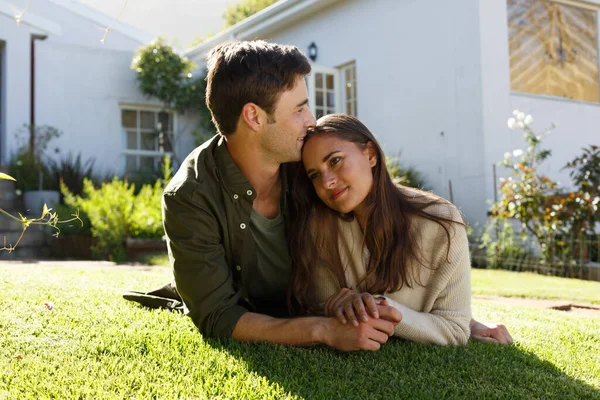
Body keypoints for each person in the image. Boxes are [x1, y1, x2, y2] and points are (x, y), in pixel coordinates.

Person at [160, 40, 512, 350]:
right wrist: (323, 331)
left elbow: (378, 218)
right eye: (298, 109)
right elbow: (218, 316)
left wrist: (453, 321)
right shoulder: (189, 197)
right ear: (253, 116)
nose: (311, 120)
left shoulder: (307, 162)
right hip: (273, 311)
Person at [291, 114, 469, 345]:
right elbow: (317, 307)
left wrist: (380, 307)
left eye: (335, 161)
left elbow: (455, 329)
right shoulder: (320, 225)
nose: (327, 182)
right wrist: (336, 307)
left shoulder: (442, 222)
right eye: (314, 175)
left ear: (371, 154)